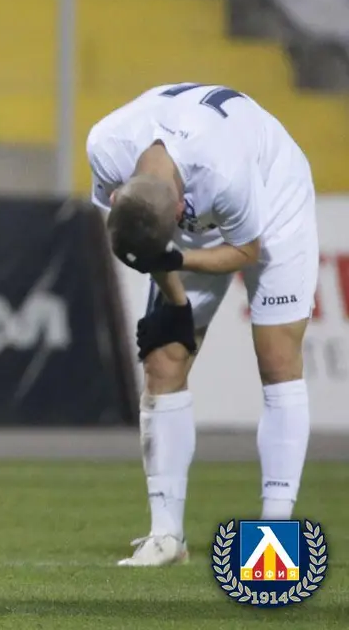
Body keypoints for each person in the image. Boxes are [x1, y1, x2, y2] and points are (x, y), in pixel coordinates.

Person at [87, 82, 315, 567]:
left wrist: (178, 259)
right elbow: (137, 242)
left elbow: (245, 250)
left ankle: (275, 538)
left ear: (180, 210)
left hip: (274, 194)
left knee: (277, 360)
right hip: (192, 215)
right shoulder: (106, 149)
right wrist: (175, 306)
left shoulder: (223, 173)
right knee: (163, 360)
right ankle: (166, 537)